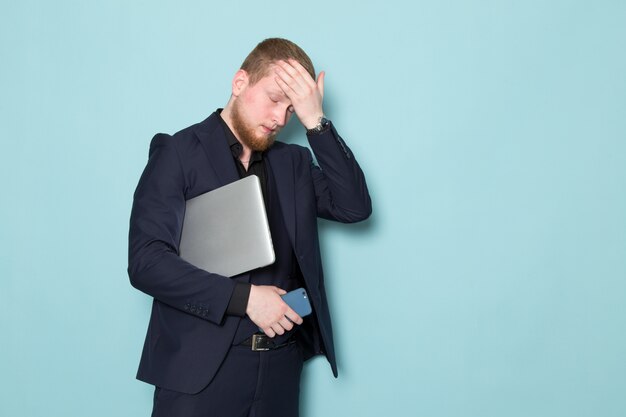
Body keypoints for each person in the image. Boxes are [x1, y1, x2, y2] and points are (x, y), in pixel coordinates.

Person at [128, 38, 371, 417]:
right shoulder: (176, 153)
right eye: (274, 99)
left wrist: (315, 122)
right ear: (240, 82)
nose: (279, 118)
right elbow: (147, 262)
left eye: (291, 109)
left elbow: (354, 207)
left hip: (279, 372)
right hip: (199, 375)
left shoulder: (293, 163)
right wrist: (246, 299)